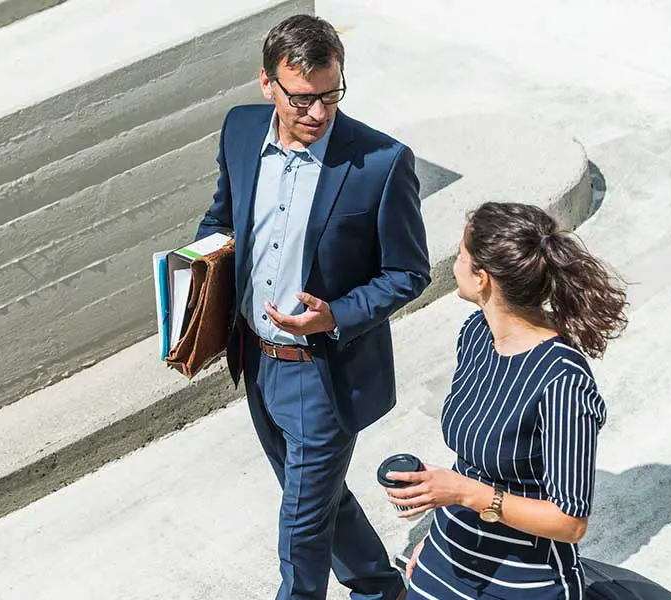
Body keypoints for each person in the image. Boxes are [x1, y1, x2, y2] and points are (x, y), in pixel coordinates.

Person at [195, 14, 431, 600]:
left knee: (300, 528)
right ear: (267, 84)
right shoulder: (240, 131)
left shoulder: (382, 162)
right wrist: (196, 283)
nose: (319, 113)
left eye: (331, 95)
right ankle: (380, 588)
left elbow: (408, 273)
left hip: (324, 373)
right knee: (319, 498)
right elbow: (223, 217)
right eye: (302, 99)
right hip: (256, 360)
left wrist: (336, 315)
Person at [383, 202, 628, 599]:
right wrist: (437, 539)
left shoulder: (563, 381)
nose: (454, 265)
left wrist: (463, 493)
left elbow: (570, 522)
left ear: (482, 279)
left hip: (522, 583)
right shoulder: (476, 334)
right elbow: (473, 462)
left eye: (461, 256)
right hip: (448, 558)